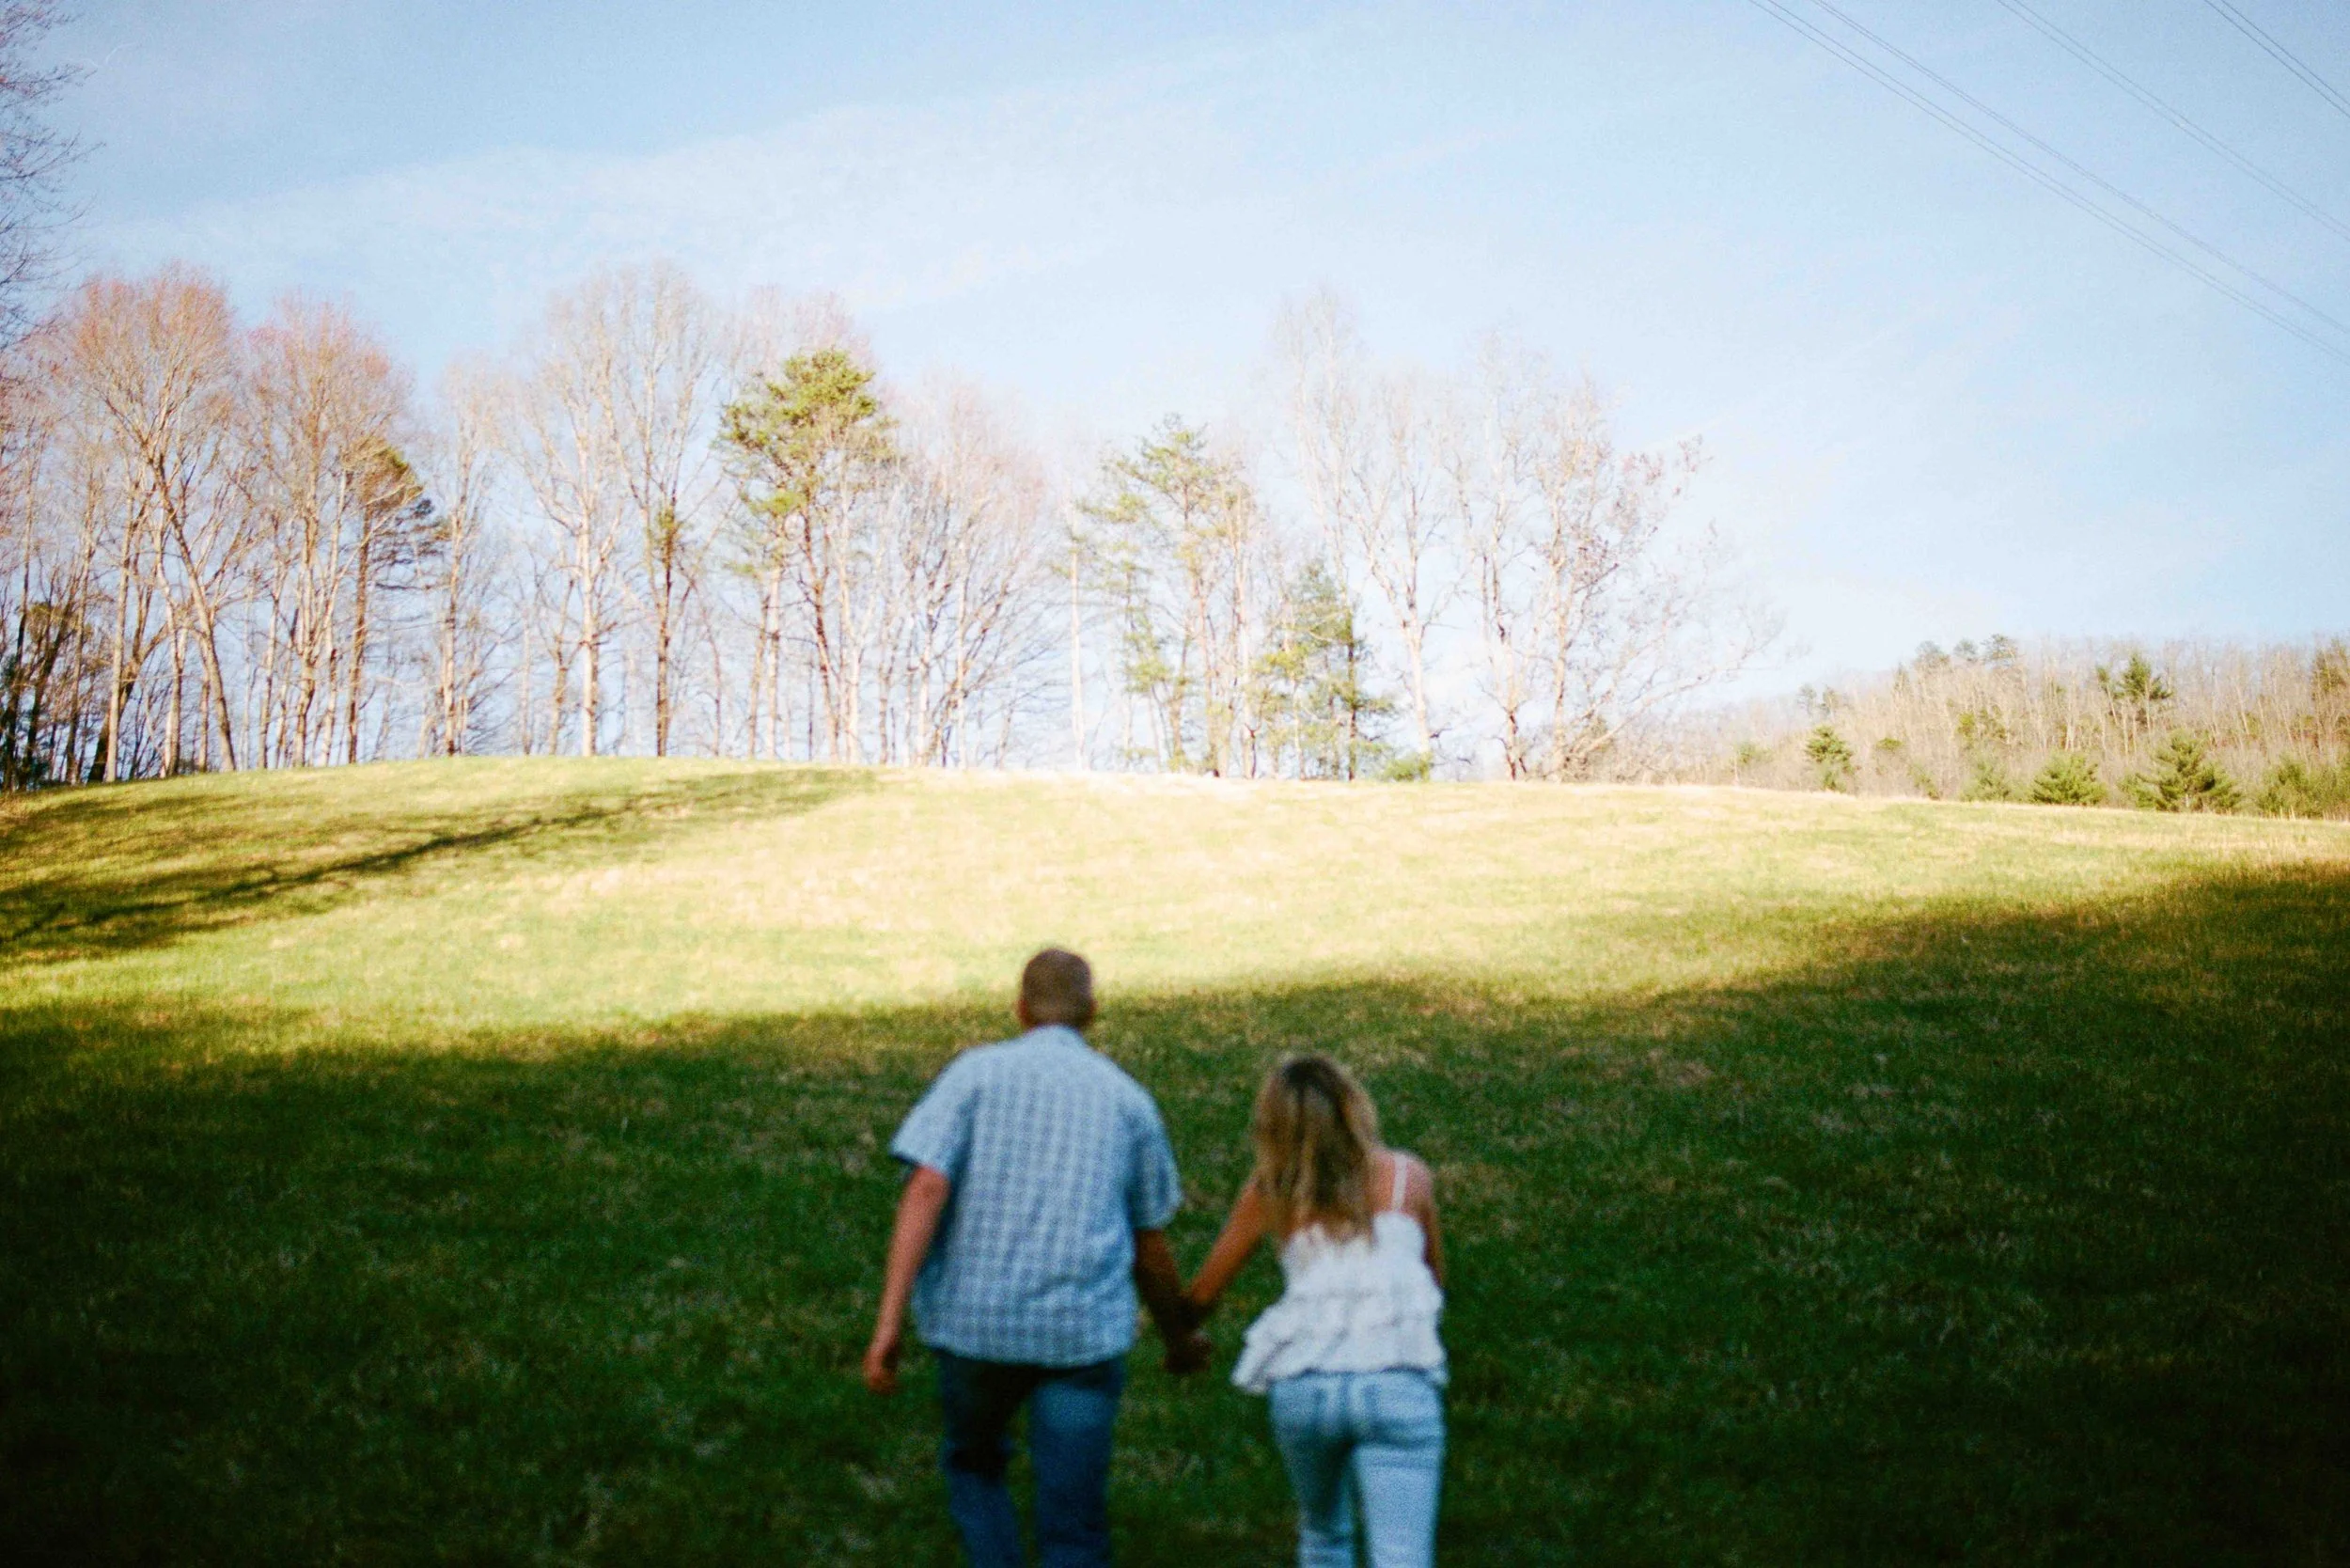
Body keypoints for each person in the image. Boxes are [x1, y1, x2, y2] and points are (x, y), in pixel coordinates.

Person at [864, 948, 1207, 1567]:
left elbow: (926, 1186)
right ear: (1093, 1013)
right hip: (1080, 1335)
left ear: (1020, 1009)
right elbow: (1148, 1241)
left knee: (974, 1465)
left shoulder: (973, 1075)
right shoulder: (1127, 1100)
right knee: (1073, 1521)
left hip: (974, 1327)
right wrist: (1177, 1337)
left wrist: (889, 1322)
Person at [1184, 1055, 1448, 1568]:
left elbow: (1203, 1297)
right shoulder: (1406, 1178)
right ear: (1355, 1107)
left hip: (1304, 1383)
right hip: (1395, 1376)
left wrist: (1177, 1335)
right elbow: (1434, 1284)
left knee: (1324, 1536)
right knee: (1402, 1556)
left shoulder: (1270, 1190)